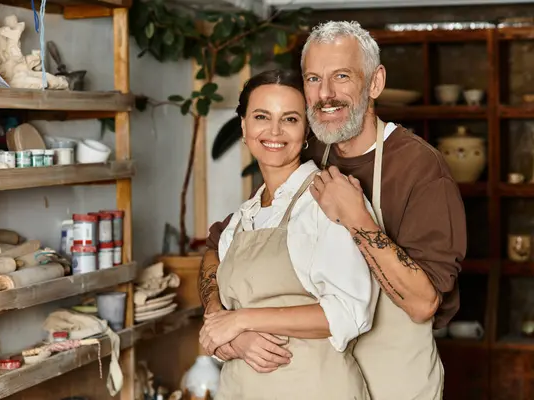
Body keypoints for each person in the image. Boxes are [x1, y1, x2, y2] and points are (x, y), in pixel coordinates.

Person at [199, 21, 467, 399]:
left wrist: (356, 218)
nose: (326, 94)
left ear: (375, 83)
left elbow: (423, 304)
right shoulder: (308, 151)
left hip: (395, 383)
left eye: (342, 76)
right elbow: (219, 246)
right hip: (324, 379)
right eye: (313, 78)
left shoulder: (419, 169)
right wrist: (219, 320)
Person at [199, 68, 380, 399]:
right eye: (261, 116)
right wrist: (233, 339)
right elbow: (218, 324)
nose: (274, 130)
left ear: (307, 129)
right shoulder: (242, 219)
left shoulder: (326, 200)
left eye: (290, 119)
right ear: (244, 125)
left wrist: (241, 321)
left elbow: (349, 313)